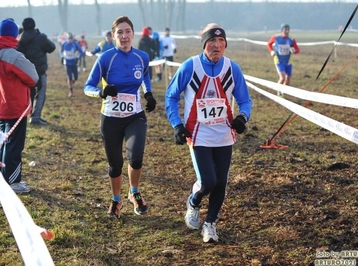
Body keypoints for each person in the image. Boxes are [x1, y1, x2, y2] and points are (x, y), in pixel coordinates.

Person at [165, 23, 252, 243]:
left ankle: (210, 223)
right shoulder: (190, 66)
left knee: (221, 183)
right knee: (208, 181)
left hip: (223, 135)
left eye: (221, 41)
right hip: (198, 134)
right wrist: (177, 124)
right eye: (212, 41)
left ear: (225, 45)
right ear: (204, 44)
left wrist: (243, 117)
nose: (217, 45)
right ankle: (194, 201)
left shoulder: (233, 69)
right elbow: (170, 97)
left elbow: (245, 100)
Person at [84, 16, 157, 219]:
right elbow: (87, 87)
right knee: (115, 164)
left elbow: (144, 76)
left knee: (135, 156)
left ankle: (134, 192)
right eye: (119, 32)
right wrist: (101, 92)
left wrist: (148, 93)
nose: (124, 36)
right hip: (111, 118)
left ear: (133, 34)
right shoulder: (106, 58)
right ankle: (116, 200)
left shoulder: (142, 56)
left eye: (127, 32)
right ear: (114, 35)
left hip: (135, 115)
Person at [0, 19, 39, 193]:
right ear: (15, 35)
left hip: (1, 107)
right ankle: (13, 182)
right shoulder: (13, 56)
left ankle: (3, 178)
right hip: (14, 108)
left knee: (2, 143)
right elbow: (33, 77)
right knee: (13, 146)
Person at [17, 17, 56, 126]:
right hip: (39, 71)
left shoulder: (20, 39)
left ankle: (27, 115)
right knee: (41, 93)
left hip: (25, 72)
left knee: (28, 93)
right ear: (34, 25)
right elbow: (52, 48)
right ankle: (35, 117)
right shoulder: (40, 37)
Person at [267, 23, 300, 96]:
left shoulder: (291, 39)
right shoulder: (276, 37)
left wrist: (294, 51)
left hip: (288, 61)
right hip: (278, 61)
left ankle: (283, 93)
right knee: (282, 77)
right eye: (285, 30)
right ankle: (278, 92)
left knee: (287, 80)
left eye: (288, 30)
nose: (287, 31)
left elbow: (298, 49)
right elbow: (269, 44)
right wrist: (271, 51)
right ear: (282, 30)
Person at [60, 32, 83, 97]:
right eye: (69, 39)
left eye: (71, 39)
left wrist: (77, 58)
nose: (70, 40)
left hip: (73, 62)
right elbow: (60, 51)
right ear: (67, 39)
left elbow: (80, 52)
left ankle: (71, 83)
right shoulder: (64, 44)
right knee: (69, 77)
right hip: (67, 63)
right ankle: (71, 91)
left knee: (76, 77)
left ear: (73, 39)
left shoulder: (75, 44)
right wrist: (61, 57)